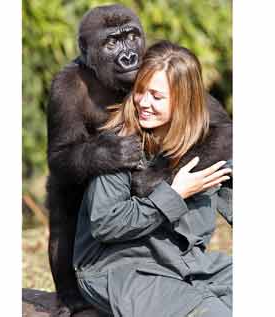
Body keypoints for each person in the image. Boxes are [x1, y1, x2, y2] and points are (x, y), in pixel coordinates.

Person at [73, 40, 233, 317]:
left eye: (156, 96)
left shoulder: (209, 141)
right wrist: (175, 194)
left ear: (184, 101)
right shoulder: (118, 144)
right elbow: (105, 224)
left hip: (183, 262)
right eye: (140, 91)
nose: (143, 103)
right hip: (120, 268)